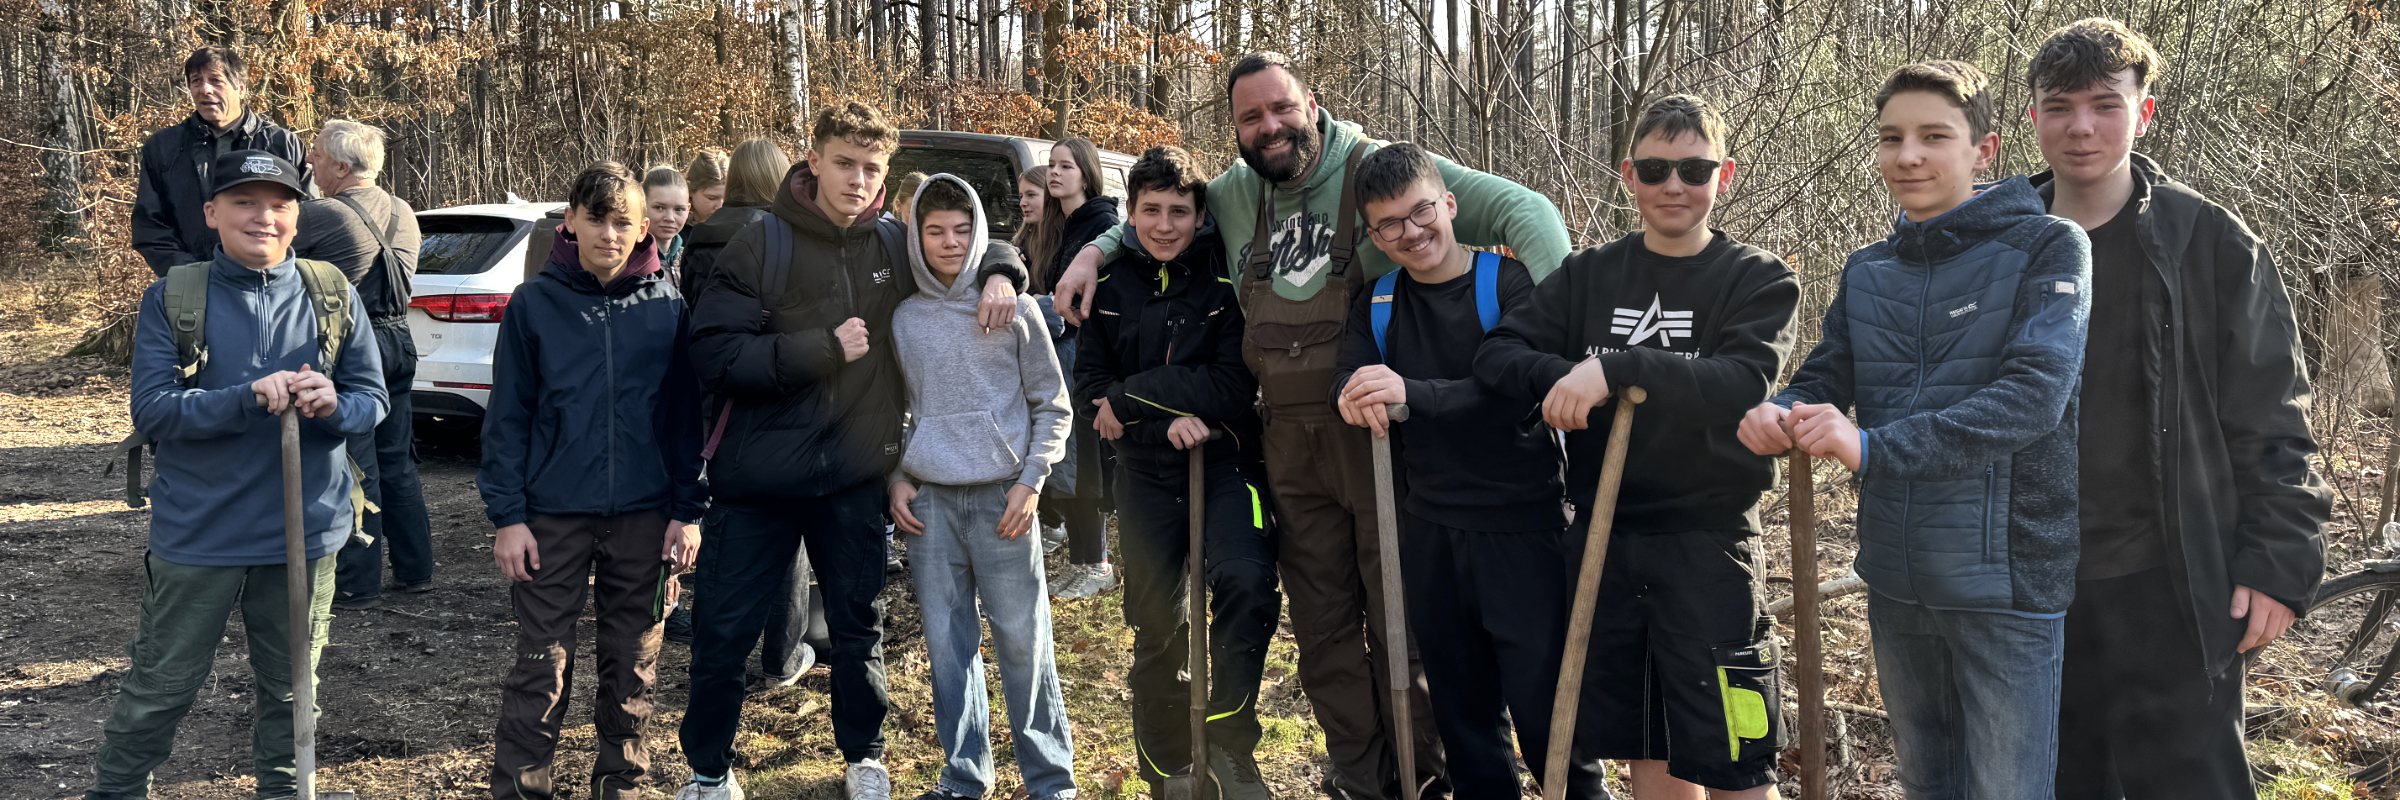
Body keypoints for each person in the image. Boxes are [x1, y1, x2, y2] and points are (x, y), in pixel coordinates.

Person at [1039, 52, 1570, 800]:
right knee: (1321, 627)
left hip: (1380, 438)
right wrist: (1091, 253)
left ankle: (1427, 773)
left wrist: (1555, 354)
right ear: (1235, 129)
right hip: (1285, 443)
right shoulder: (1232, 194)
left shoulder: (1378, 172)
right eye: (1250, 118)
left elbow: (1530, 214)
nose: (1270, 127)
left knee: (1401, 620)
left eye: (1282, 108)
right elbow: (1154, 220)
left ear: (1312, 103)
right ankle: (1361, 777)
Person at [1739, 60, 2092, 799]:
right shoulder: (1869, 269)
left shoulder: (2049, 247)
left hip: (2008, 582)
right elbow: (1829, 375)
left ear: (1985, 149)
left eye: (1935, 136)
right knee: (1929, 784)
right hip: (1899, 577)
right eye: (1891, 137)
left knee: (2009, 790)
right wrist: (1784, 407)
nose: (1908, 155)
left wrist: (1870, 447)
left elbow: (2034, 397)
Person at [2021, 20, 2331, 799]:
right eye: (2059, 106)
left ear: (2145, 112)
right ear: (2032, 117)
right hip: (2025, 585)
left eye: (2105, 104)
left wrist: (2276, 564)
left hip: (2170, 579)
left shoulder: (2211, 243)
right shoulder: (1994, 241)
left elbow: (2272, 417)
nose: (2081, 127)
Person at [680, 102, 1025, 800]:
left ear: (886, 173)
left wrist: (1004, 271)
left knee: (858, 627)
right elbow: (713, 355)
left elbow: (963, 249)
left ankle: (865, 756)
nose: (857, 179)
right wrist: (820, 350)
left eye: (872, 167)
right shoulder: (760, 243)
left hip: (853, 479)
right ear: (813, 161)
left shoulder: (894, 244)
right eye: (844, 162)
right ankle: (709, 772)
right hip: (758, 484)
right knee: (722, 634)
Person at [1478, 96, 1801, 799]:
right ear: (1629, 176)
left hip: (1708, 546)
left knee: (1735, 754)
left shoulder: (1757, 278)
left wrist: (1617, 367)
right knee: (1645, 752)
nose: (1674, 185)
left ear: (1726, 174)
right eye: (1655, 168)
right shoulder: (1589, 275)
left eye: (1694, 168)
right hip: (1606, 542)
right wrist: (1565, 378)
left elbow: (1740, 383)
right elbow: (1498, 355)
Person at [91, 149, 386, 799]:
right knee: (161, 685)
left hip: (305, 534)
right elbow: (154, 410)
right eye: (245, 202)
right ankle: (114, 791)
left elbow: (373, 401)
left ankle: (285, 792)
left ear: (298, 214)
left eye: (279, 204)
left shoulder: (332, 294)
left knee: (291, 690)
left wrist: (334, 404)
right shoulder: (174, 297)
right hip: (201, 534)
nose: (263, 217)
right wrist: (249, 397)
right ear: (211, 212)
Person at [1325, 142, 1592, 800]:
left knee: (1547, 715)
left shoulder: (1506, 284)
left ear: (1448, 203)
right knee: (1464, 717)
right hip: (1430, 531)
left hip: (1523, 530)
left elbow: (1513, 389)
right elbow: (1348, 378)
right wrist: (1352, 396)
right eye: (1390, 224)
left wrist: (1414, 395)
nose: (1411, 233)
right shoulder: (1379, 304)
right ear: (1373, 234)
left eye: (1421, 212)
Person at [479, 160, 704, 799]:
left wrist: (687, 510)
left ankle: (623, 785)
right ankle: (522, 789)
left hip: (645, 512)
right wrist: (509, 517)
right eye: (597, 219)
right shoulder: (534, 305)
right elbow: (508, 416)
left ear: (643, 232)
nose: (610, 234)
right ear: (571, 220)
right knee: (541, 665)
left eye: (623, 223)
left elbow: (687, 420)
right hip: (550, 514)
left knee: (633, 663)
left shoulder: (667, 306)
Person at [1075, 145, 1280, 800]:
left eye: (1180, 212)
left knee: (1247, 583)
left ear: (1200, 216)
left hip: (1225, 463)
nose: (1166, 225)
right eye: (1152, 211)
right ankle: (1167, 766)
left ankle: (1227, 739)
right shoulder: (1105, 288)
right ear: (1129, 215)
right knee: (1155, 623)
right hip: (1144, 473)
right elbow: (1090, 387)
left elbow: (1228, 384)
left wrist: (1131, 400)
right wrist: (1155, 422)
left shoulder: (1224, 281)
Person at [887, 173, 1078, 800]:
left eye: (961, 230)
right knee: (948, 648)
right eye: (935, 231)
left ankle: (1050, 780)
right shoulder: (905, 319)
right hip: (931, 507)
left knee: (1025, 641)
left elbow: (1053, 404)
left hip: (1005, 502)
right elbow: (893, 410)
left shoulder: (1016, 309)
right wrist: (897, 476)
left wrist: (1031, 482)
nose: (948, 242)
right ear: (915, 236)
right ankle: (965, 777)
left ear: (979, 233)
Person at [292, 119, 431, 612]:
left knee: (356, 466)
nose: (309, 162)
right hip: (399, 340)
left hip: (353, 345)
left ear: (343, 167)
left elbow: (273, 264)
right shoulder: (404, 211)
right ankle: (417, 572)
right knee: (397, 462)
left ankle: (358, 583)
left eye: (317, 157)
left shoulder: (321, 214)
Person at [1030, 138, 1123, 598]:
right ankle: (1082, 558)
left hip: (1085, 361)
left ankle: (1097, 564)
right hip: (1061, 358)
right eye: (1051, 165)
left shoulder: (1100, 224)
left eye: (1065, 166)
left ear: (1085, 174)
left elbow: (1075, 310)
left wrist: (1029, 309)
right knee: (1067, 466)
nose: (1054, 173)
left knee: (1084, 464)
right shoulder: (1063, 225)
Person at [133, 46, 311, 276]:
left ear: (242, 89)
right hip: (191, 286)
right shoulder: (164, 147)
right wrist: (191, 274)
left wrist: (274, 271)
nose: (205, 90)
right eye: (196, 81)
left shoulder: (281, 144)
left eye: (216, 81)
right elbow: (150, 225)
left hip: (268, 282)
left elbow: (306, 217)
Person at [679, 138, 790, 299]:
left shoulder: (699, 234)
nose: (717, 204)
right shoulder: (778, 232)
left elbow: (688, 303)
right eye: (711, 197)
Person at [645, 166, 693, 287]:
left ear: (688, 210)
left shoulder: (691, 260)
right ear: (642, 205)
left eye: (679, 209)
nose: (670, 218)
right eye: (659, 208)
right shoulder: (630, 262)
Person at [688, 147, 733, 226]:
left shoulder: (740, 229)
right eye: (712, 198)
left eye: (726, 198)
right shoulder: (674, 229)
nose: (720, 206)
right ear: (691, 191)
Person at [1015, 165, 1049, 246]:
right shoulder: (1024, 240)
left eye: (1031, 195)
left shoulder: (1071, 239)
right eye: (1021, 196)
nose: (1022, 203)